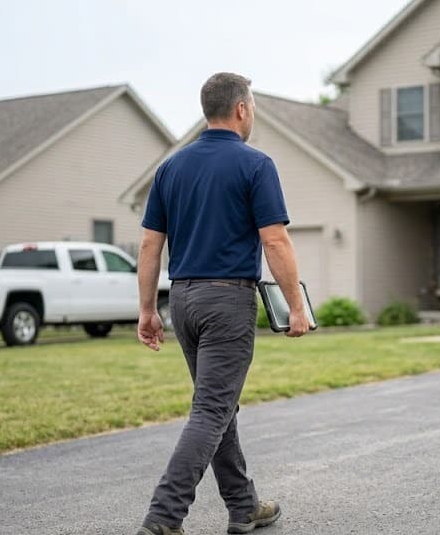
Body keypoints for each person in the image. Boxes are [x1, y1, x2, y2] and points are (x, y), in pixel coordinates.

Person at [134, 72, 311, 535]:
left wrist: (148, 310)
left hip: (183, 300)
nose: (253, 115)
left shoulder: (171, 168)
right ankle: (164, 517)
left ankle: (244, 506)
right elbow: (275, 240)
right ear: (241, 109)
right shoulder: (256, 164)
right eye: (253, 108)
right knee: (212, 410)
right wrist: (296, 306)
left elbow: (150, 245)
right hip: (226, 302)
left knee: (218, 405)